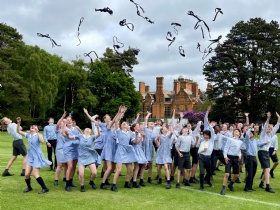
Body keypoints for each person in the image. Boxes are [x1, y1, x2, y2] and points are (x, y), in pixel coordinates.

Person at [16, 117, 51, 194]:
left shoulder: (38, 135)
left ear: (37, 129)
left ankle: (45, 188)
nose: (32, 127)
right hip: (30, 156)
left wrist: (37, 132)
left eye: (35, 126)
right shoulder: (28, 135)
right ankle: (29, 187)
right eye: (32, 126)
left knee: (35, 174)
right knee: (27, 174)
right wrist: (18, 123)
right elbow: (18, 131)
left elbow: (42, 141)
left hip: (37, 156)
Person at [65, 125, 100, 192]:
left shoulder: (92, 137)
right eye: (86, 128)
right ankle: (82, 186)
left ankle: (91, 182)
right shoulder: (80, 136)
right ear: (83, 131)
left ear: (90, 132)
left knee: (94, 173)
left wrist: (97, 126)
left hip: (90, 157)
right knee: (81, 174)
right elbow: (70, 137)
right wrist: (67, 134)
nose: (87, 129)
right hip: (81, 158)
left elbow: (98, 134)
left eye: (89, 129)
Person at [111, 106, 137, 192]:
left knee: (130, 169)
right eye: (123, 123)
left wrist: (137, 135)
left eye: (125, 123)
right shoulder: (118, 131)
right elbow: (116, 121)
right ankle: (113, 185)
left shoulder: (130, 133)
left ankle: (126, 183)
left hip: (128, 151)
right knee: (119, 170)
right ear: (121, 126)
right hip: (120, 151)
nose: (124, 123)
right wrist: (120, 112)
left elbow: (135, 141)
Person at [258, 112, 279, 193]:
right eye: (267, 129)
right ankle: (267, 186)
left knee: (267, 170)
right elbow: (266, 124)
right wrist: (268, 118)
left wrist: (279, 117)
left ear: (271, 130)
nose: (268, 130)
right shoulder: (263, 134)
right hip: (262, 152)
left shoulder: (271, 135)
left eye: (269, 129)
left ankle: (261, 183)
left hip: (266, 152)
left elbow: (277, 125)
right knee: (267, 169)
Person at [220, 128, 243, 195]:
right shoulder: (230, 139)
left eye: (237, 132)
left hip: (236, 159)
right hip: (229, 157)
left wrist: (239, 155)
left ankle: (230, 184)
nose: (236, 132)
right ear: (233, 133)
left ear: (239, 134)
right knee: (227, 174)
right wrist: (225, 157)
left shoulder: (240, 142)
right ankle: (223, 188)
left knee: (236, 174)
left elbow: (239, 150)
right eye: (235, 131)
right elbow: (226, 148)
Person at [63, 115, 81, 192]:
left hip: (76, 149)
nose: (69, 121)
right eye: (67, 120)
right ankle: (67, 185)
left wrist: (79, 129)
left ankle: (70, 181)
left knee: (74, 166)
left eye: (70, 120)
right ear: (66, 122)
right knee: (69, 166)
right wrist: (66, 134)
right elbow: (64, 134)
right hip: (68, 149)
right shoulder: (65, 129)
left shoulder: (76, 129)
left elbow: (82, 136)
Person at [54, 112, 68, 186]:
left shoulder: (67, 131)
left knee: (66, 164)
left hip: (66, 149)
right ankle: (56, 179)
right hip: (59, 149)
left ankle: (65, 177)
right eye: (62, 122)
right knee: (59, 164)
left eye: (63, 122)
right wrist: (63, 116)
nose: (62, 123)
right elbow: (57, 124)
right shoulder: (57, 130)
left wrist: (65, 124)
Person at [244, 123, 258, 192]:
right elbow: (246, 134)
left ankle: (250, 186)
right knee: (250, 173)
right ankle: (247, 187)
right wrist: (250, 127)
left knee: (253, 173)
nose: (251, 134)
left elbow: (261, 143)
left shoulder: (255, 141)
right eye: (250, 133)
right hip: (249, 157)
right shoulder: (247, 140)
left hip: (254, 157)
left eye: (252, 133)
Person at [143, 112, 155, 184]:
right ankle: (140, 176)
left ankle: (149, 177)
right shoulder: (146, 129)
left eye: (153, 124)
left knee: (150, 164)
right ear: (147, 125)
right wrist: (148, 114)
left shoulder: (154, 132)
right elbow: (145, 119)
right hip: (145, 148)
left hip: (150, 148)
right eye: (151, 123)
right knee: (144, 164)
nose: (152, 124)